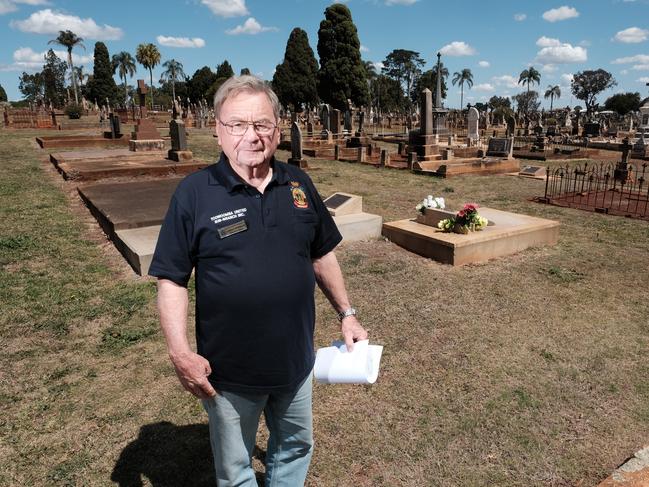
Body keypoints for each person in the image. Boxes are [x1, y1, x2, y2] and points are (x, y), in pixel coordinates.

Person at [148, 75, 368, 486]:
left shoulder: (299, 184)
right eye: (237, 124)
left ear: (277, 130)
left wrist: (347, 313)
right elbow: (172, 279)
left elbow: (322, 252)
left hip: (296, 366)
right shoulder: (195, 193)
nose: (251, 136)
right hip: (230, 373)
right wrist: (180, 352)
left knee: (294, 450)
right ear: (217, 129)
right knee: (235, 469)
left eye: (261, 124)